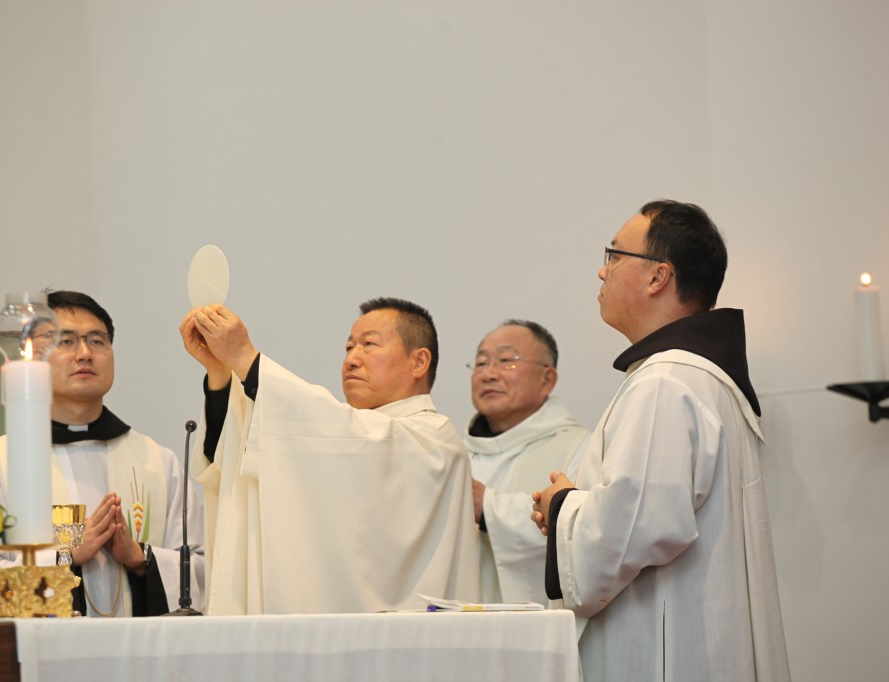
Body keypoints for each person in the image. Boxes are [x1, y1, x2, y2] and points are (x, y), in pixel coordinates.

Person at [531, 201, 790, 680]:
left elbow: (626, 533)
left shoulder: (666, 381)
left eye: (614, 255)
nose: (602, 270)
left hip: (664, 656)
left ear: (658, 277)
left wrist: (561, 503)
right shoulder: (698, 377)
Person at [179, 297, 478, 614]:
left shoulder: (435, 439)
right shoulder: (338, 438)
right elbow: (241, 461)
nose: (351, 360)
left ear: (419, 362)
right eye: (349, 347)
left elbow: (363, 441)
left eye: (369, 344)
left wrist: (244, 358)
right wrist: (220, 375)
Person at [0, 290, 205, 617]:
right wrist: (65, 555)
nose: (85, 353)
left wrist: (140, 557)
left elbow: (202, 571)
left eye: (97, 341)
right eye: (65, 341)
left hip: (141, 646)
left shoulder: (158, 462)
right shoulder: (0, 462)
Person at [466, 320, 587, 606]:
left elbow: (582, 533)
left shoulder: (580, 448)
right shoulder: (456, 454)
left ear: (547, 380)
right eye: (481, 363)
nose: (488, 374)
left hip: (541, 623)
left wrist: (488, 507)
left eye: (506, 360)